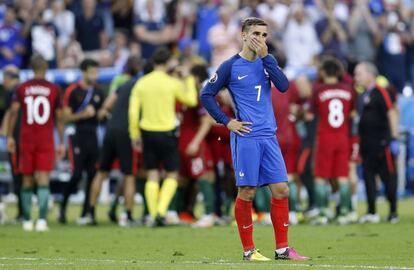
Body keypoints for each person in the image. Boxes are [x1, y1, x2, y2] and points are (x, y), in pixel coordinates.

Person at [201, 17, 308, 261]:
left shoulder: (267, 62)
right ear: (243, 35)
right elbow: (207, 94)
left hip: (269, 136)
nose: (260, 39)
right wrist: (227, 121)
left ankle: (282, 250)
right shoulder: (230, 66)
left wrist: (267, 58)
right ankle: (249, 251)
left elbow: (283, 86)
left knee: (282, 189)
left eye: (264, 35)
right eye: (256, 34)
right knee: (247, 192)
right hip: (246, 137)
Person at [129, 47, 197, 226]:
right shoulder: (171, 83)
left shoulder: (142, 83)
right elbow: (191, 100)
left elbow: (133, 112)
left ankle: (153, 215)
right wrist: (188, 78)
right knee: (172, 174)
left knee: (152, 174)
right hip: (167, 132)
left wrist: (134, 134)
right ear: (167, 63)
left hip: (147, 132)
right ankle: (161, 211)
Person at [6, 54, 65, 231]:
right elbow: (60, 117)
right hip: (45, 138)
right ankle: (41, 220)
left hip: (26, 138)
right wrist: (61, 141)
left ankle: (26, 220)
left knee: (27, 179)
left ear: (31, 68)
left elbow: (14, 112)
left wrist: (9, 136)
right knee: (43, 179)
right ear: (46, 68)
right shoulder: (54, 89)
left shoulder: (22, 88)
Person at [87, 56, 142, 226]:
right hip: (127, 131)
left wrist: (105, 114)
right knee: (129, 175)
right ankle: (128, 215)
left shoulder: (123, 85)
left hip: (111, 130)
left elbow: (105, 107)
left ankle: (90, 214)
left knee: (101, 172)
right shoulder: (142, 86)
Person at [308, 57, 356, 225]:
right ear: (338, 72)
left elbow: (311, 113)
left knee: (321, 177)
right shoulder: (349, 90)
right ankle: (344, 212)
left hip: (325, 137)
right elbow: (352, 114)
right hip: (343, 137)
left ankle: (322, 213)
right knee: (342, 176)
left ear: (322, 72)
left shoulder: (318, 90)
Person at [59, 59, 104, 224]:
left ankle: (86, 212)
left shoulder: (99, 91)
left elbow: (101, 113)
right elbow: (65, 117)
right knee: (77, 174)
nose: (95, 75)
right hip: (78, 136)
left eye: (97, 72)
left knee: (93, 176)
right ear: (84, 72)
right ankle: (62, 207)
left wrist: (102, 114)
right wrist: (83, 115)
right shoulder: (73, 91)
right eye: (92, 71)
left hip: (93, 136)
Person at [354, 62, 399, 224]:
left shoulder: (382, 91)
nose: (356, 77)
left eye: (359, 74)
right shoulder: (363, 95)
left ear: (370, 75)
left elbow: (392, 113)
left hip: (382, 143)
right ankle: (372, 212)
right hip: (366, 145)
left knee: (388, 177)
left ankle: (393, 211)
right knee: (368, 178)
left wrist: (393, 139)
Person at [1, 65, 23, 222]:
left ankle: (23, 213)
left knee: (17, 176)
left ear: (9, 78)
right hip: (29, 139)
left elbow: (11, 112)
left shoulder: (12, 92)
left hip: (15, 139)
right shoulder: (25, 90)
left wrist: (7, 135)